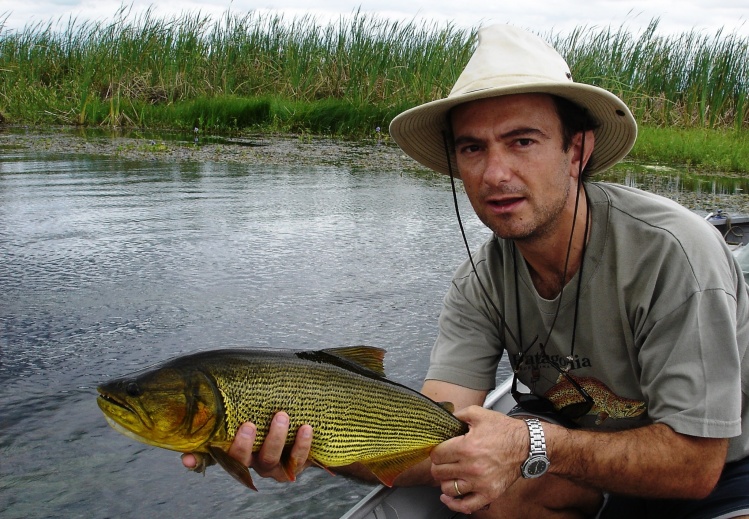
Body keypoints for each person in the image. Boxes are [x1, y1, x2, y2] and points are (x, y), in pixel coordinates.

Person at [182, 24, 749, 518]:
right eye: (472, 149)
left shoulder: (673, 254)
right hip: (588, 463)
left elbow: (694, 466)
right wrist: (315, 446)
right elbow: (433, 441)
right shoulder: (480, 280)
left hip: (721, 474)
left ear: (577, 151)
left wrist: (531, 441)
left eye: (522, 141)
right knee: (482, 492)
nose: (494, 173)